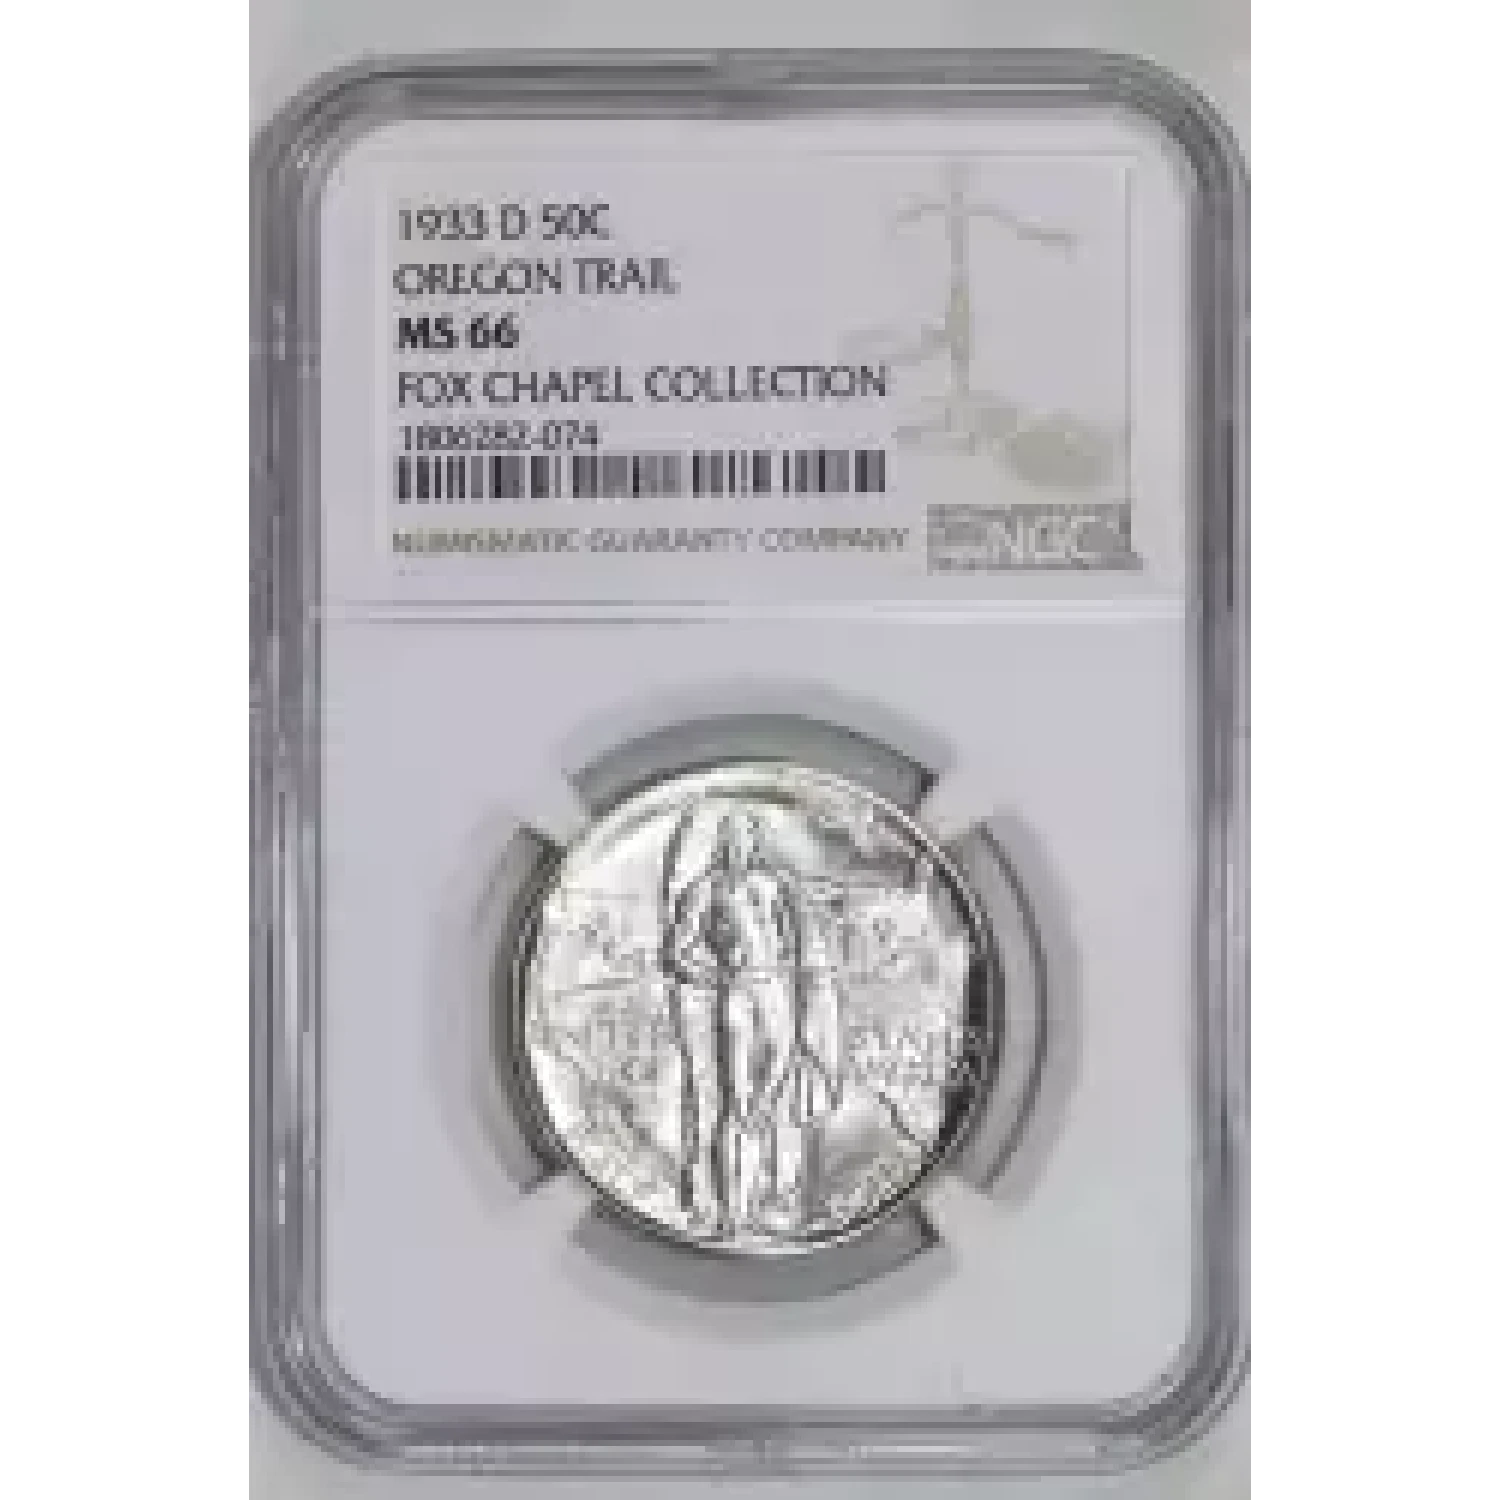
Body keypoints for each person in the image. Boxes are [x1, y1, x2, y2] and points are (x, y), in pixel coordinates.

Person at [660, 810, 829, 1231]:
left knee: (774, 1095)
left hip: (777, 993)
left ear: (754, 842)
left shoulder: (773, 886)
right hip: (737, 996)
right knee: (738, 1104)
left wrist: (801, 999)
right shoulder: (705, 889)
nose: (738, 845)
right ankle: (733, 1212)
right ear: (722, 842)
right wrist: (716, 974)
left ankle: (769, 1201)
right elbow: (677, 952)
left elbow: (794, 947)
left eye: (745, 837)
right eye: (731, 837)